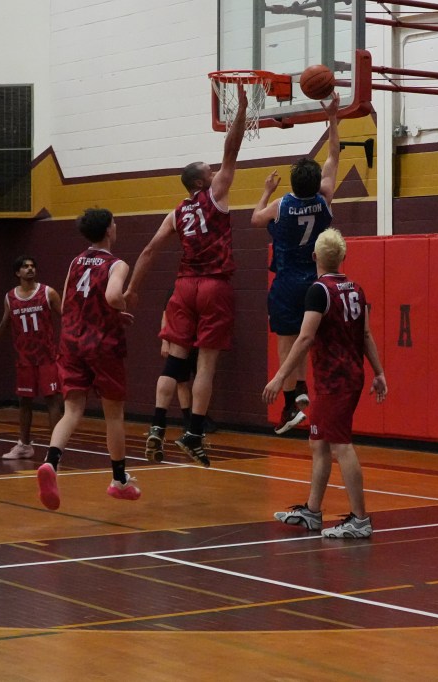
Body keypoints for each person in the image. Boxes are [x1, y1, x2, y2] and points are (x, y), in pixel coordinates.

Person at [124, 84, 248, 468]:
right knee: (206, 364)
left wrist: (132, 290)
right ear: (200, 182)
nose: (215, 171)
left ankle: (157, 426)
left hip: (182, 287)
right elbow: (232, 150)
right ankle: (193, 433)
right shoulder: (216, 196)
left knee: (174, 363)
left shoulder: (176, 213)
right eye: (209, 171)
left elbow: (149, 251)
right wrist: (242, 109)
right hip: (213, 286)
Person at [263, 228, 387, 539]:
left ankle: (360, 519)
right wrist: (379, 372)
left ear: (315, 256)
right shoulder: (356, 289)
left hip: (336, 380)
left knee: (341, 445)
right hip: (345, 377)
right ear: (343, 256)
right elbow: (366, 335)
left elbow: (305, 338)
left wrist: (280, 377)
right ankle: (312, 512)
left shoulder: (319, 291)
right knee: (318, 442)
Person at [35, 208, 140, 510]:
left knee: (72, 410)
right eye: (114, 223)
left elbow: (70, 300)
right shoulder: (116, 264)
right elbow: (112, 296)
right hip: (102, 344)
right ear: (108, 230)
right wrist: (121, 308)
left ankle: (51, 462)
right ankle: (119, 480)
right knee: (114, 414)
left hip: (71, 342)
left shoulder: (75, 261)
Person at [252, 93, 340, 435]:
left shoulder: (281, 205)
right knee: (308, 336)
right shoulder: (325, 197)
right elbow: (333, 155)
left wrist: (265, 190)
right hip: (315, 280)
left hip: (287, 281)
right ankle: (303, 388)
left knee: (286, 339)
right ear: (316, 183)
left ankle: (289, 403)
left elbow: (255, 219)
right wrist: (332, 117)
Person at [0, 255, 63, 459]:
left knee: (53, 401)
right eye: (25, 266)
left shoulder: (48, 293)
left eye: (32, 266)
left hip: (47, 357)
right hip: (25, 359)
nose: (30, 269)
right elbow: (3, 325)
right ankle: (24, 445)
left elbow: (66, 317)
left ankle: (55, 449)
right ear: (17, 272)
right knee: (25, 402)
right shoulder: (10, 297)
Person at [159, 288, 217, 436]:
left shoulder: (203, 289)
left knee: (201, 377)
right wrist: (165, 342)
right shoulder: (174, 289)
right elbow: (166, 315)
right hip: (180, 342)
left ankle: (200, 416)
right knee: (182, 381)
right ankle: (186, 419)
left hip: (200, 342)